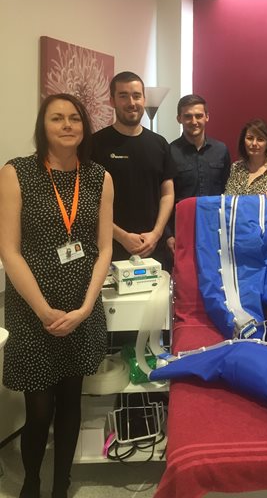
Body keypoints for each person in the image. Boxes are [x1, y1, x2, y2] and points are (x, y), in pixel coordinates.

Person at [0, 93, 113, 498]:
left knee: (70, 403)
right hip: (33, 310)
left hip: (82, 308)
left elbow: (104, 247)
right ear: (42, 126)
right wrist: (46, 310)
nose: (67, 125)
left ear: (84, 127)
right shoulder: (16, 172)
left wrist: (84, 308)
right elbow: (8, 250)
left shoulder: (99, 176)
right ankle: (32, 481)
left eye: (74, 119)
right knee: (39, 410)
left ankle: (60, 484)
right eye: (56, 118)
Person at [91, 71, 176, 269]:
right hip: (110, 249)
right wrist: (122, 237)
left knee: (158, 300)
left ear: (144, 99)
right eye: (123, 96)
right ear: (112, 100)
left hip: (155, 248)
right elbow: (89, 201)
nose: (131, 102)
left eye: (136, 95)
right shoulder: (94, 145)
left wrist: (156, 234)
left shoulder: (160, 144)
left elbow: (168, 193)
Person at [167, 94, 231, 254]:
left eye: (199, 116)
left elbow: (228, 191)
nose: (194, 121)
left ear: (207, 117)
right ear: (179, 119)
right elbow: (163, 197)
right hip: (182, 229)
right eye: (187, 116)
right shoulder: (169, 152)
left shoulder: (221, 150)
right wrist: (168, 235)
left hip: (216, 229)